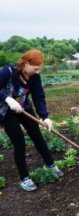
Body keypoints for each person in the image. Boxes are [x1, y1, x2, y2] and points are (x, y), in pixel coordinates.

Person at [0, 49, 63, 191]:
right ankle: (24, 178)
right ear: (26, 63)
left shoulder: (34, 77)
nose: (38, 71)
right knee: (19, 142)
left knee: (37, 135)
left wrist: (45, 116)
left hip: (23, 107)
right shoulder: (8, 71)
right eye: (36, 68)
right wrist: (7, 98)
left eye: (40, 69)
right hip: (6, 111)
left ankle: (50, 164)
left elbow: (38, 96)